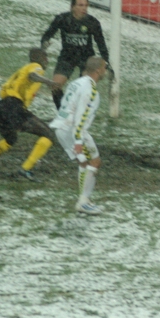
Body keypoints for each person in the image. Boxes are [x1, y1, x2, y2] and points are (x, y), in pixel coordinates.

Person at [0, 47, 60, 180]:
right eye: (46, 58)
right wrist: (49, 82)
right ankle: (25, 170)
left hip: (2, 107)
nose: (47, 61)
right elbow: (33, 75)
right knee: (48, 134)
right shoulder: (36, 66)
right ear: (40, 58)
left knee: (10, 140)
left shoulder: (22, 69)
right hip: (14, 107)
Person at [50, 56, 108, 215]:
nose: (105, 71)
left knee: (84, 164)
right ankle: (83, 201)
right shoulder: (90, 90)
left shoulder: (77, 82)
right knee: (94, 162)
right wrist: (78, 142)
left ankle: (85, 200)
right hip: (74, 130)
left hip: (61, 127)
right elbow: (81, 117)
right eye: (104, 68)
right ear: (98, 70)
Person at [40, 0, 109, 110]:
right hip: (67, 57)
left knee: (83, 91)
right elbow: (47, 35)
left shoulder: (92, 22)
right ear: (72, 7)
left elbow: (101, 44)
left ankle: (78, 115)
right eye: (81, 5)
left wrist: (106, 62)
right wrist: (45, 43)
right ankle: (62, 113)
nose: (84, 8)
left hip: (86, 60)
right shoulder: (62, 19)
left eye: (86, 6)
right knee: (55, 86)